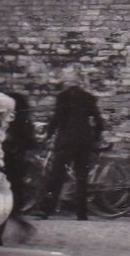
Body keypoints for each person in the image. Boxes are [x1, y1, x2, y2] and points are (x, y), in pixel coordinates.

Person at [32, 83, 103, 221]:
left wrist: (47, 136)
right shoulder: (89, 98)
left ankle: (46, 210)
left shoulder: (63, 98)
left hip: (65, 142)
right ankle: (82, 213)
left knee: (57, 176)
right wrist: (95, 139)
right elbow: (99, 122)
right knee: (81, 178)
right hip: (84, 142)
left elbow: (56, 119)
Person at [0, 92, 38, 245]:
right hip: (16, 167)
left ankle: (0, 236)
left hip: (7, 166)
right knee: (9, 202)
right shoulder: (24, 125)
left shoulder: (8, 125)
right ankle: (6, 233)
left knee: (4, 201)